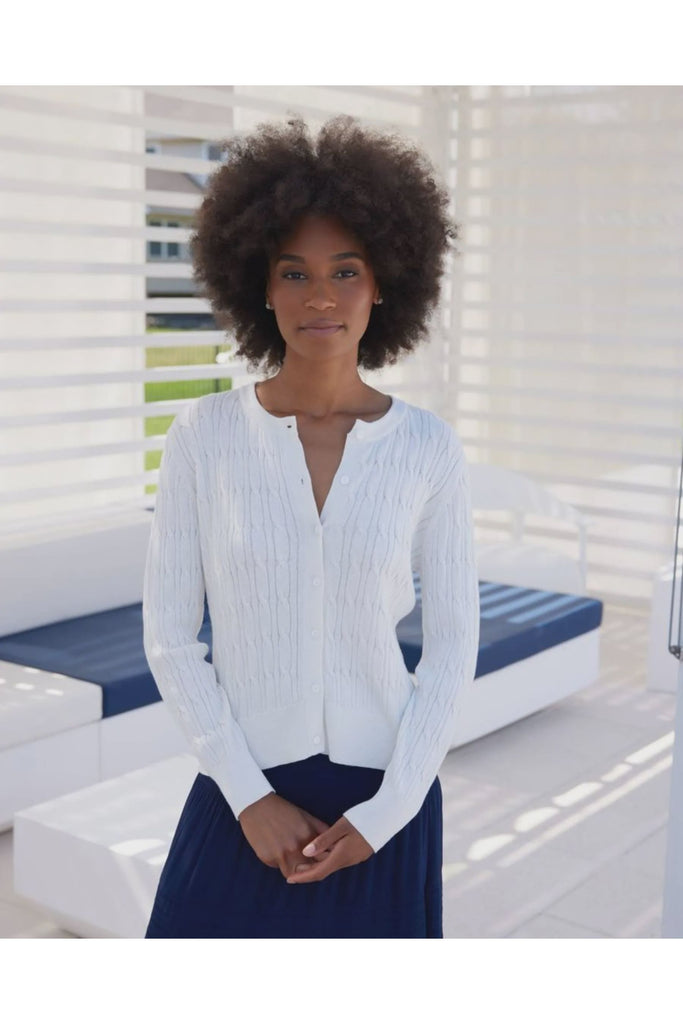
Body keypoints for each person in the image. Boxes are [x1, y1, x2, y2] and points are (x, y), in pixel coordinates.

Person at [142, 115, 480, 939]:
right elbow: (169, 639)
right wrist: (248, 794)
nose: (320, 297)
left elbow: (450, 651)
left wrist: (387, 813)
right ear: (258, 284)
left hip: (381, 800)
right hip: (243, 791)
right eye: (293, 272)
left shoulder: (427, 449)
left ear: (383, 284)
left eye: (345, 270)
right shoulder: (202, 438)